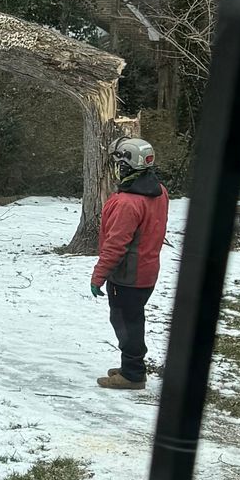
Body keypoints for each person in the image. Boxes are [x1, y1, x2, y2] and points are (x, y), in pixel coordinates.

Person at [90, 133, 169, 390]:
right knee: (133, 318)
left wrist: (98, 276)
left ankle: (133, 374)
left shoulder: (127, 202)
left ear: (126, 165)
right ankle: (130, 365)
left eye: (118, 161)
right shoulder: (159, 192)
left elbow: (115, 245)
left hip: (127, 275)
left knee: (126, 323)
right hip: (147, 271)